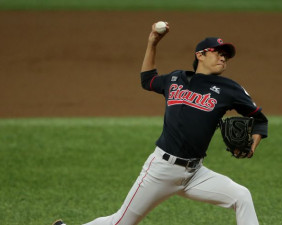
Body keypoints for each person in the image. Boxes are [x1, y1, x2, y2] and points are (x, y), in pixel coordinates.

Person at [53, 21, 268, 225]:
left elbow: (259, 119)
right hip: (162, 170)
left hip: (195, 173)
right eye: (218, 52)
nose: (223, 58)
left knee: (241, 196)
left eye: (226, 56)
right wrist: (152, 43)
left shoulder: (230, 89)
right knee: (120, 222)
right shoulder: (176, 79)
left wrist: (252, 146)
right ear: (200, 55)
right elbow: (148, 79)